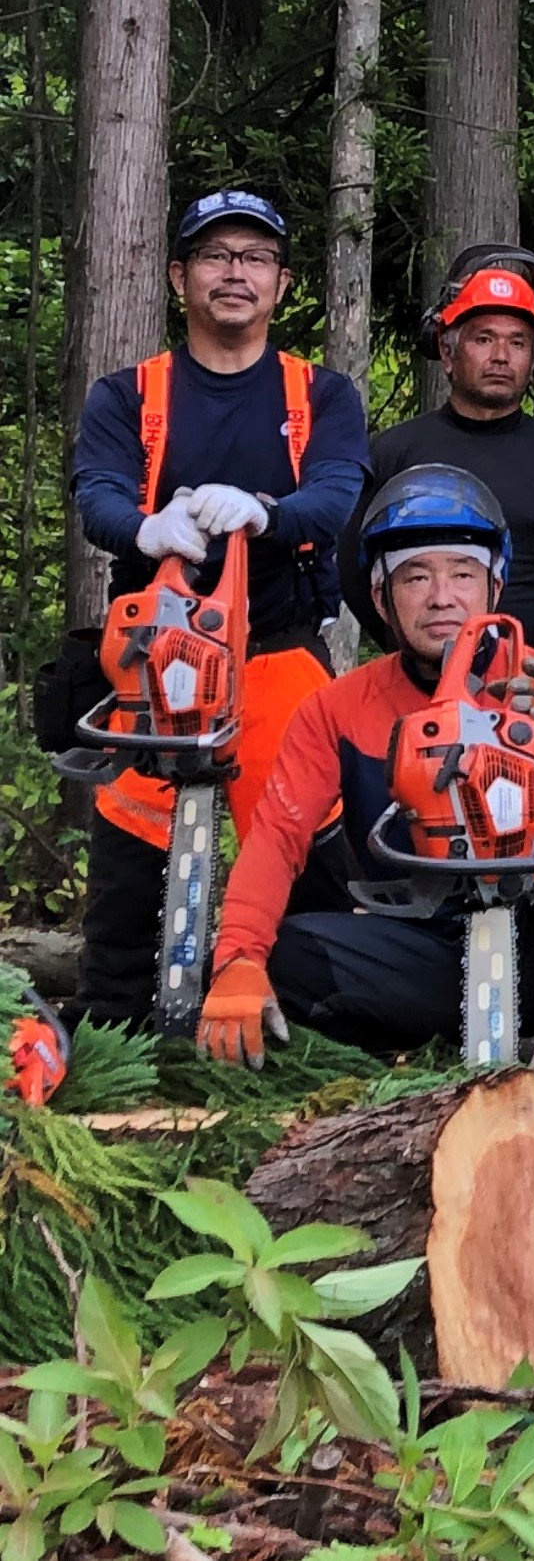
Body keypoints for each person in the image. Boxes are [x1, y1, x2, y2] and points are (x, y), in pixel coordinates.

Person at [195, 466, 534, 1118]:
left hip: (531, 946)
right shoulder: (337, 709)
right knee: (277, 954)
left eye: (461, 574)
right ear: (382, 593)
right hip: (419, 950)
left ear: (493, 586)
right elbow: (278, 839)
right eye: (417, 576)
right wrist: (238, 959)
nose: (441, 596)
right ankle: (377, 1089)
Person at [66, 190, 371, 1026]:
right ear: (180, 276)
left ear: (281, 283)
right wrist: (147, 526)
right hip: (154, 668)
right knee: (131, 859)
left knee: (310, 856)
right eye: (216, 255)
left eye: (255, 258)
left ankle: (320, 1054)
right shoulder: (131, 394)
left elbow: (339, 495)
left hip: (276, 653)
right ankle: (116, 1048)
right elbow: (96, 496)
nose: (236, 273)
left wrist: (266, 512)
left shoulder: (322, 395)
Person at [342, 247, 534, 657]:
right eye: (484, 339)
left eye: (517, 343)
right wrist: (410, 647)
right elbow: (353, 569)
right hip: (419, 685)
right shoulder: (394, 453)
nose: (500, 356)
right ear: (447, 353)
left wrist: (530, 635)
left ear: (533, 360)